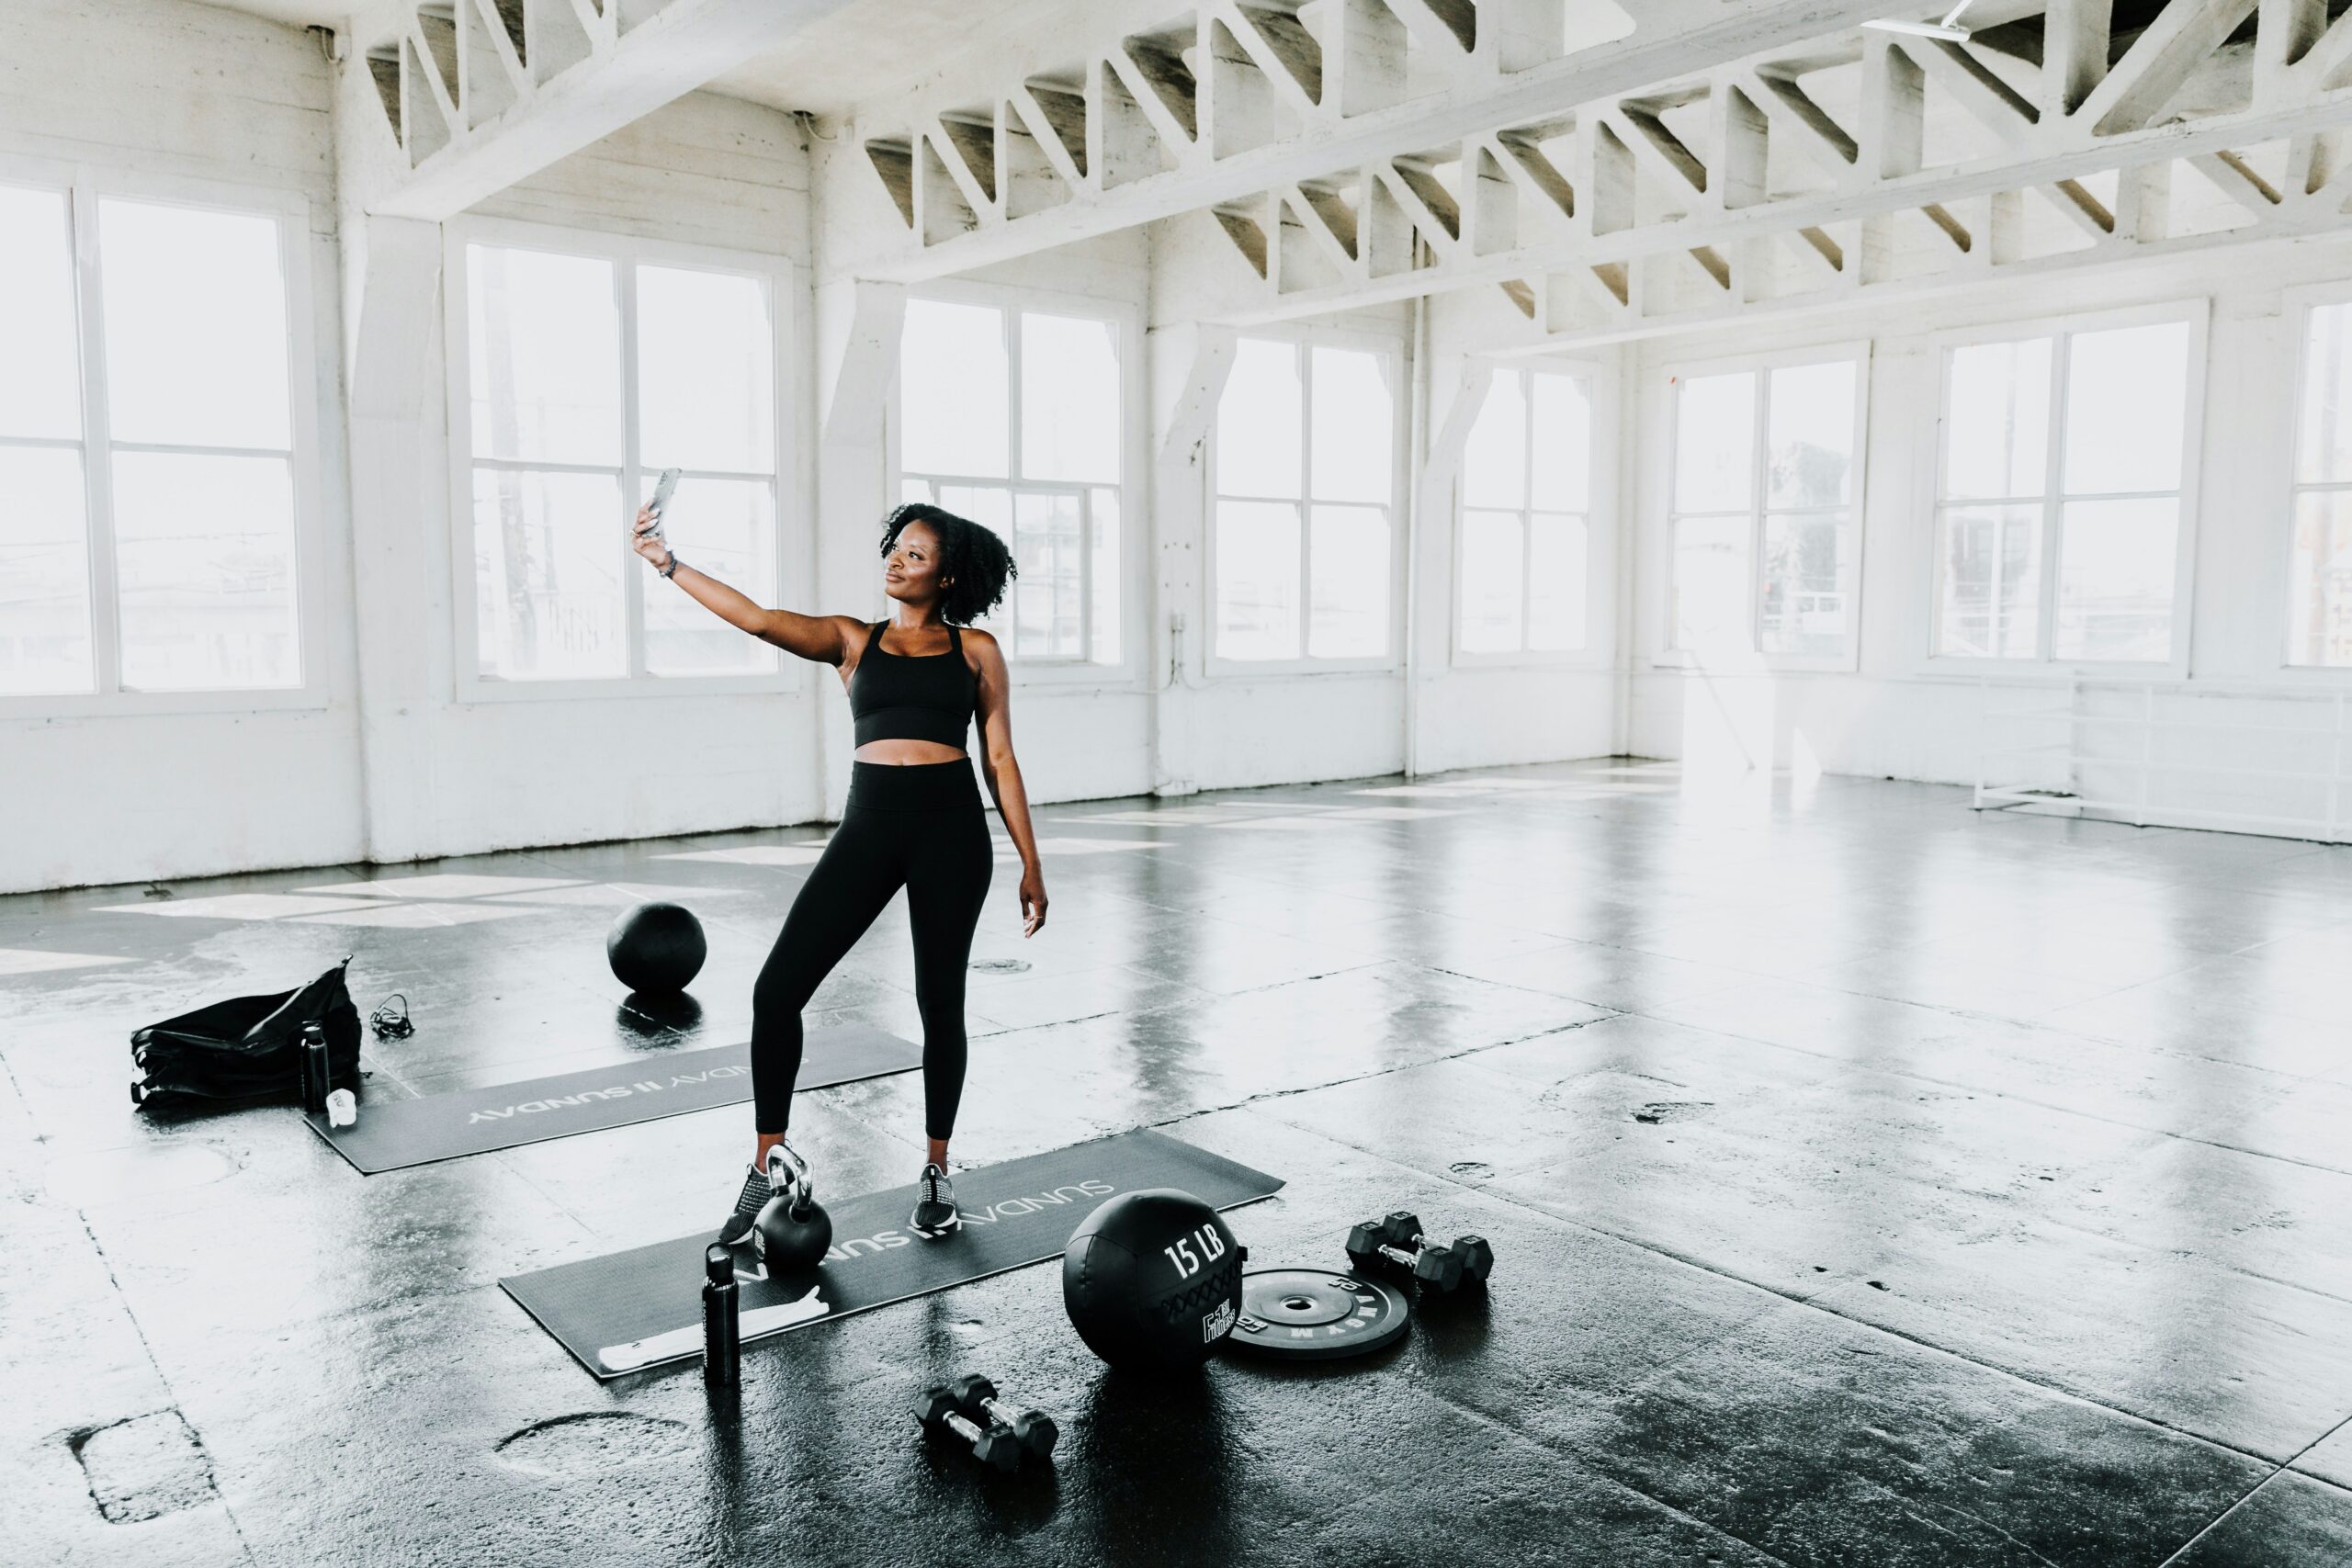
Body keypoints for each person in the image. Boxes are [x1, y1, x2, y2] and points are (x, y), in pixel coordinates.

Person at [628, 499, 1047, 1241]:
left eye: (916, 555)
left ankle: (937, 1168)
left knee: (938, 1002)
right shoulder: (854, 641)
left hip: (953, 834)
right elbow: (757, 618)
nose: (897, 561)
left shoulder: (977, 650)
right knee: (776, 989)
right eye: (896, 549)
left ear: (948, 576)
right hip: (870, 829)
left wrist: (1030, 860)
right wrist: (668, 563)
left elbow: (1001, 758)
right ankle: (766, 1163)